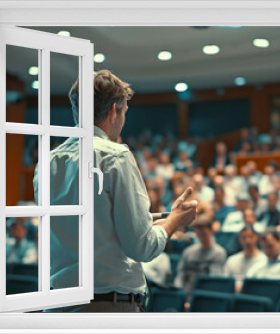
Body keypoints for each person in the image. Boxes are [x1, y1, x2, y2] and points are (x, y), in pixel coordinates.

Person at [38, 70, 198, 313]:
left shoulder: (48, 161)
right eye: (124, 113)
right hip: (104, 307)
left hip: (56, 304)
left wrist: (155, 219)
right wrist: (176, 220)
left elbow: (88, 223)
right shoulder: (114, 156)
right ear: (115, 111)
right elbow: (141, 247)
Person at [174, 215, 227, 299]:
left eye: (203, 234)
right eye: (198, 234)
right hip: (185, 294)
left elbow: (214, 280)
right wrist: (179, 294)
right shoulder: (188, 252)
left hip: (205, 296)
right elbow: (180, 276)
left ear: (211, 232)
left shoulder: (219, 253)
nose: (201, 237)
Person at [224, 225, 267, 290]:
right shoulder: (232, 260)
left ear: (256, 237)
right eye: (244, 237)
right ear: (239, 239)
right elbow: (225, 282)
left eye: (250, 237)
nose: (247, 241)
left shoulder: (265, 260)